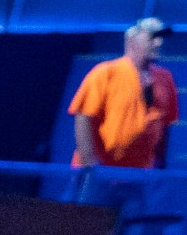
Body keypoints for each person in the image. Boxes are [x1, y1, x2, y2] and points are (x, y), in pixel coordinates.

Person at [71, 19, 178, 171]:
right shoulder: (106, 73)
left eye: (161, 38)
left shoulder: (165, 79)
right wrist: (89, 165)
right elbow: (83, 116)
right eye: (152, 37)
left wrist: (159, 166)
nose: (159, 43)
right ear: (132, 40)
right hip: (99, 173)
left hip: (139, 174)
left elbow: (164, 125)